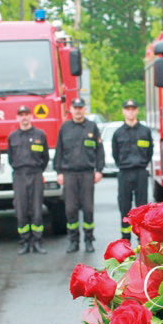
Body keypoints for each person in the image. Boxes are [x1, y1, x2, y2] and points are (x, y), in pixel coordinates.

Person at [54, 97, 104, 253]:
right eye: (75, 107)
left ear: (84, 109)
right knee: (70, 209)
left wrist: (99, 170)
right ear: (71, 109)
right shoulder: (65, 127)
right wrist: (58, 172)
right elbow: (59, 151)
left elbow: (99, 150)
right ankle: (73, 241)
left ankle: (89, 240)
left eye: (80, 107)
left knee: (88, 209)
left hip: (87, 173)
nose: (78, 110)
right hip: (69, 174)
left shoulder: (92, 127)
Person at [8, 105, 49, 254]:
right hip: (19, 175)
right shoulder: (13, 136)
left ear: (31, 116)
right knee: (21, 209)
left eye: (26, 114)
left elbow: (45, 157)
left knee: (37, 210)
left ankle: (37, 242)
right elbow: (11, 159)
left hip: (36, 174)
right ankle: (24, 241)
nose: (24, 117)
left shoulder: (40, 135)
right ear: (17, 117)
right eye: (21, 115)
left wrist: (37, 170)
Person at [112, 99, 153, 240]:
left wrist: (142, 164)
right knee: (124, 206)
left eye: (133, 109)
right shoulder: (118, 133)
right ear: (123, 111)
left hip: (141, 172)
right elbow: (115, 154)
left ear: (137, 110)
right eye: (127, 109)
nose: (130, 111)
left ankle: (141, 238)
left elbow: (149, 152)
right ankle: (125, 239)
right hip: (124, 173)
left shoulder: (145, 131)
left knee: (141, 207)